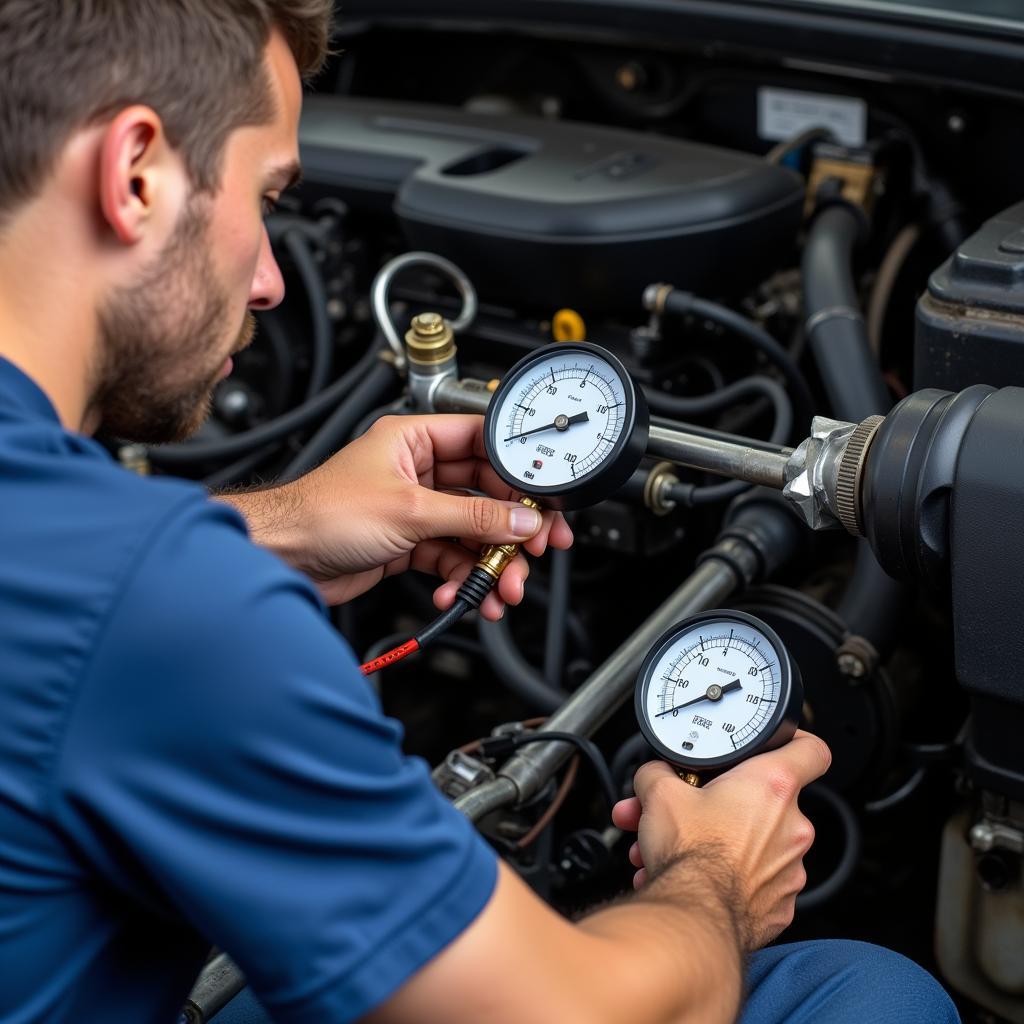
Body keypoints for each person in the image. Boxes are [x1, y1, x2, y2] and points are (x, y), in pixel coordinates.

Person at [0, 3, 959, 1023]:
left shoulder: (114, 577)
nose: (275, 278)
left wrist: (270, 525)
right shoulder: (167, 612)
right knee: (866, 994)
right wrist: (718, 874)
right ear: (136, 171)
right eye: (266, 195)